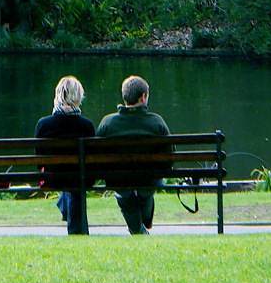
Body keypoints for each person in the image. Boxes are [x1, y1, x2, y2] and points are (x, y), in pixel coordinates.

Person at [95, 74, 170, 234]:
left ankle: (139, 229)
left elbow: (96, 155)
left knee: (124, 195)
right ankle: (143, 224)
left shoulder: (108, 122)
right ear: (143, 97)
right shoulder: (156, 122)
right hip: (149, 178)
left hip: (118, 179)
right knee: (146, 190)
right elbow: (169, 156)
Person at [34, 75, 95, 235]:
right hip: (81, 177)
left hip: (53, 176)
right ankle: (77, 232)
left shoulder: (44, 124)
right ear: (78, 96)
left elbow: (38, 158)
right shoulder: (86, 125)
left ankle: (68, 213)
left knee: (69, 185)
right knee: (74, 184)